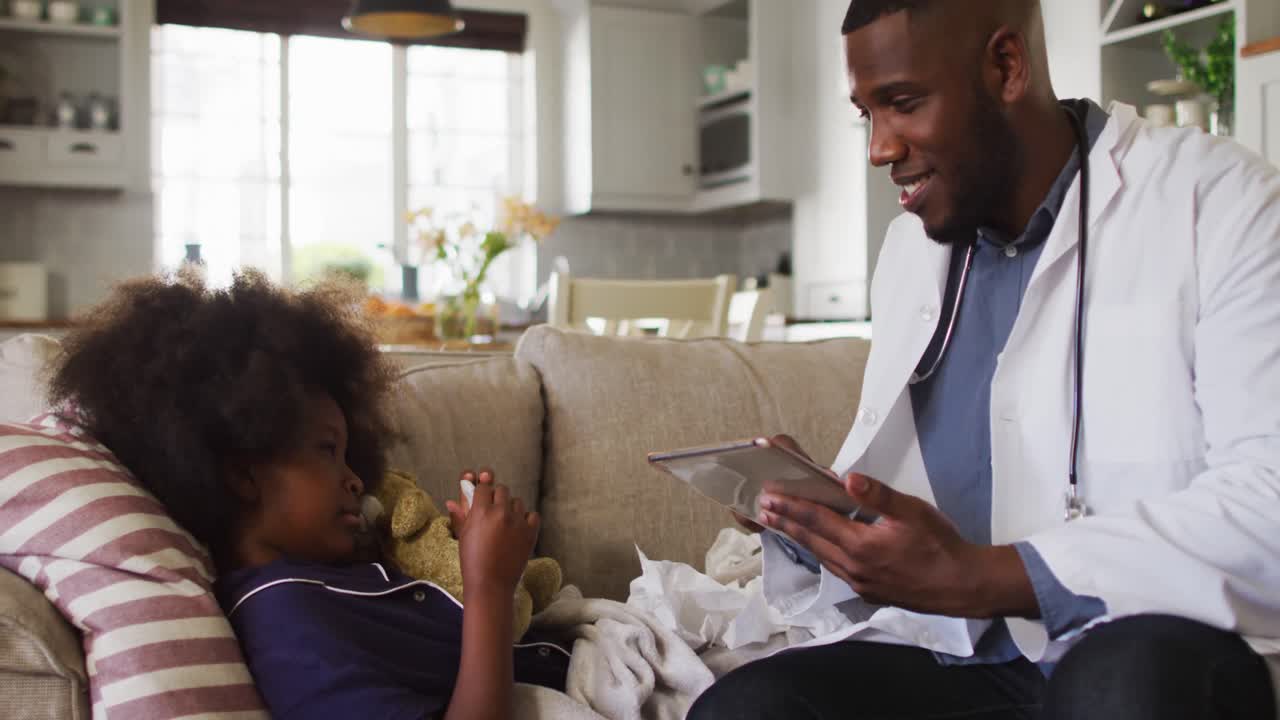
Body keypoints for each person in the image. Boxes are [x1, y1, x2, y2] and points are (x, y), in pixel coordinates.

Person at [690, 0, 1280, 718]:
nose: (879, 147)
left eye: (903, 104)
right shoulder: (911, 249)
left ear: (1006, 66)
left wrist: (987, 577)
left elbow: (1268, 503)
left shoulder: (1222, 201)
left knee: (1122, 685)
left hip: (1147, 643)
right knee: (749, 707)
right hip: (967, 655)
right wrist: (823, 522)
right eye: (866, 114)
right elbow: (926, 520)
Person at [47, 271, 565, 720]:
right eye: (326, 450)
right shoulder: (286, 625)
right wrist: (489, 587)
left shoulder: (323, 579)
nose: (357, 480)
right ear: (241, 472)